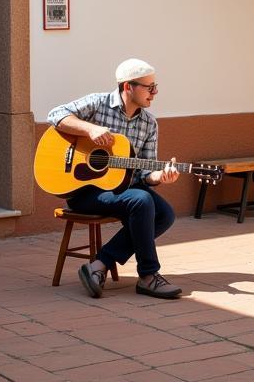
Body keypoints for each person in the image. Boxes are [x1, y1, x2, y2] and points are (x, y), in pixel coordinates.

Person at [47, 58, 182, 299]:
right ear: (128, 87)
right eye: (149, 87)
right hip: (83, 190)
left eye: (155, 86)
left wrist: (160, 176)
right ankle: (149, 276)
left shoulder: (149, 124)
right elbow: (55, 114)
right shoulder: (98, 103)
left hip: (122, 190)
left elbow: (143, 173)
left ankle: (99, 265)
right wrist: (90, 129)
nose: (155, 92)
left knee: (165, 214)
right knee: (141, 201)